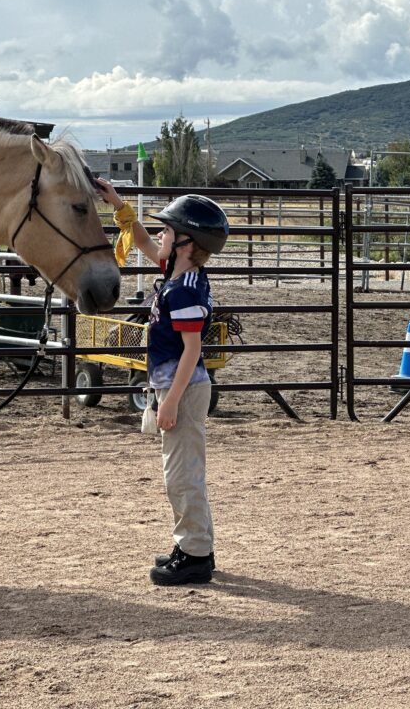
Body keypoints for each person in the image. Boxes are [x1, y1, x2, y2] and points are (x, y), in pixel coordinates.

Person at [96, 180, 229, 586]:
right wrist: (118, 205)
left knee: (182, 476)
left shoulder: (184, 289)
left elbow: (191, 351)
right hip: (177, 387)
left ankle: (194, 555)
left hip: (183, 388)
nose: (159, 237)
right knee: (183, 473)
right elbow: (139, 239)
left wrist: (169, 402)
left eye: (167, 232)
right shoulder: (177, 275)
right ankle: (193, 545)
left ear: (187, 244)